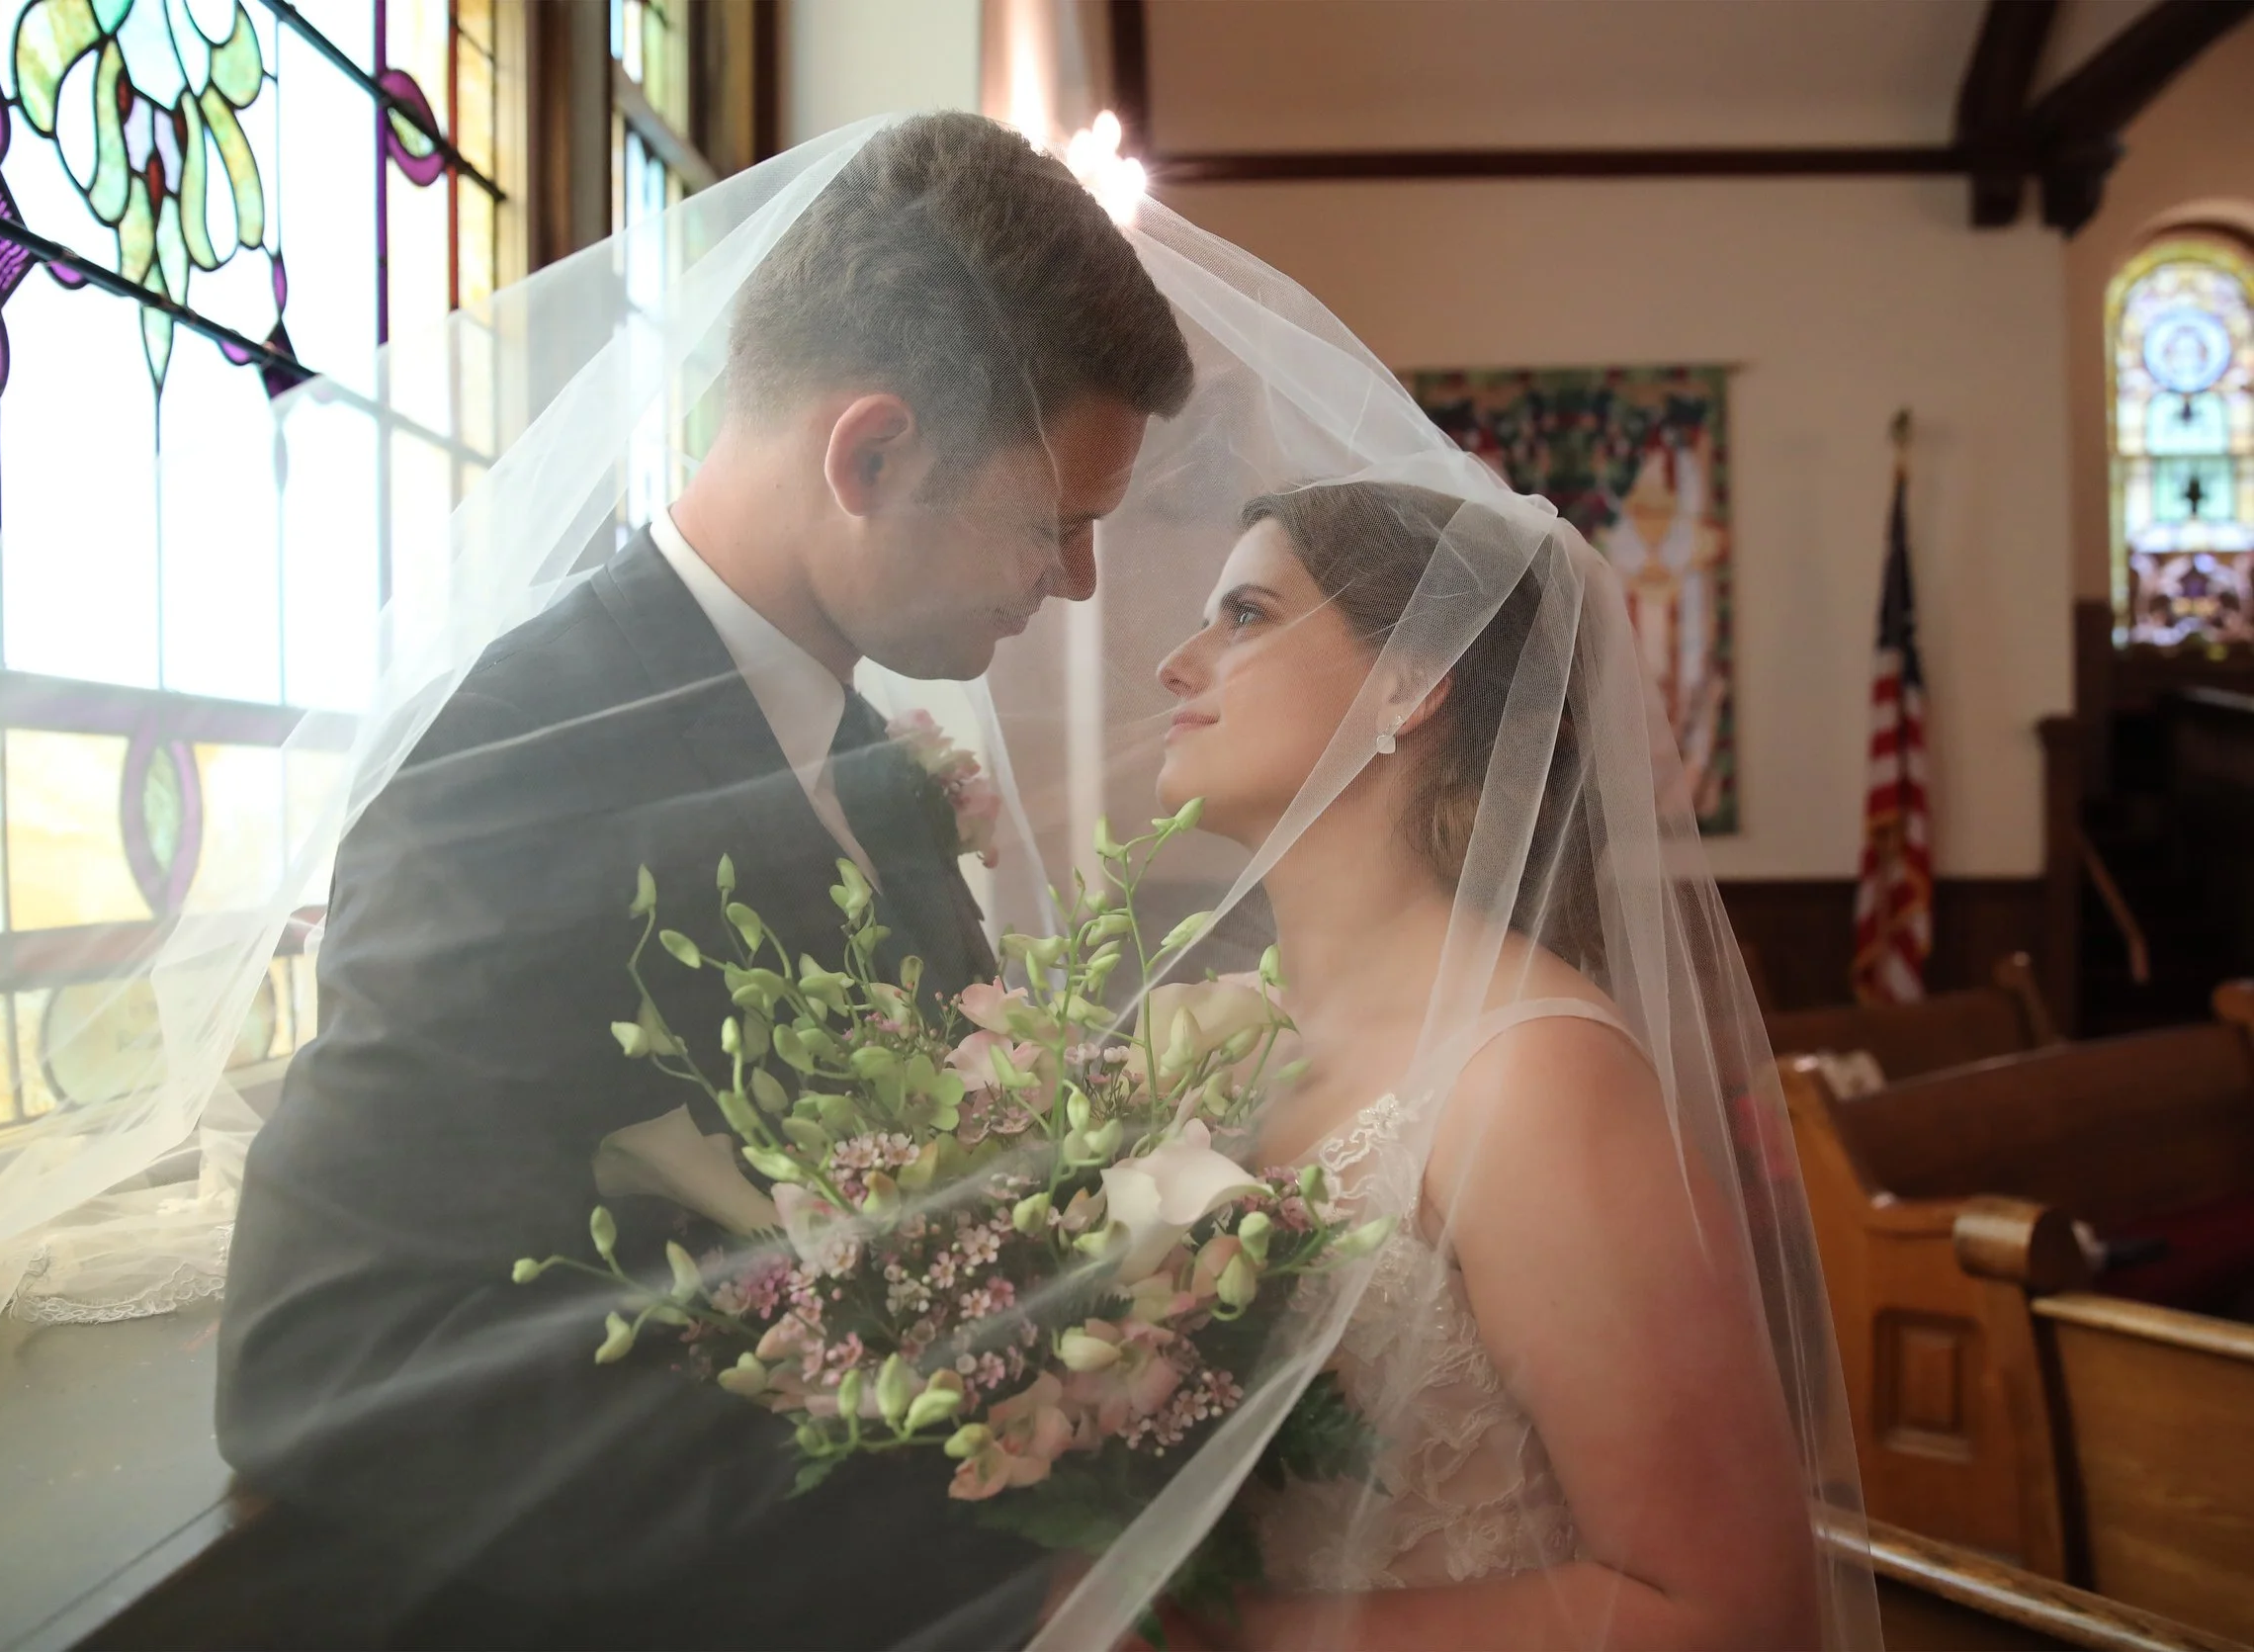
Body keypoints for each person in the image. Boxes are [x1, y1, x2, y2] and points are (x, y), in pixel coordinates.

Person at [217, 111, 1193, 1649]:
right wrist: (976, 1555)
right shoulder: (517, 753)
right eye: (1055, 522)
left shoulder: (881, 759)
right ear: (868, 452)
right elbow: (336, 1360)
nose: (1071, 580)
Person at [1149, 482, 1820, 1647]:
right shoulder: (1208, 1044)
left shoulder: (1530, 1079)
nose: (1175, 663)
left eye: (1246, 615)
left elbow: (1730, 1612)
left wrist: (1214, 1637)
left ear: (1411, 682)